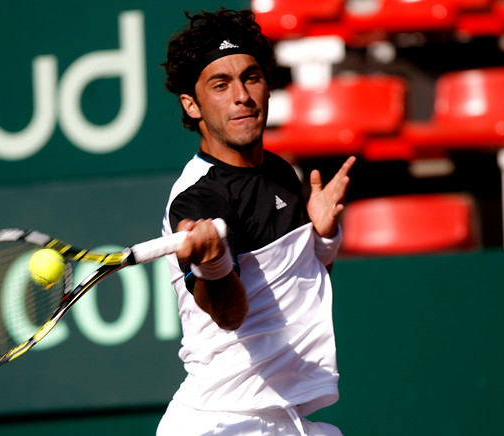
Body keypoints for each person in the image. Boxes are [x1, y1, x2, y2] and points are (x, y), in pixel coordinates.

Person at [158, 8, 355, 436]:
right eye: (220, 84)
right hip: (224, 424)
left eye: (251, 77)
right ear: (191, 105)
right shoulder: (197, 198)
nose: (242, 96)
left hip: (281, 416)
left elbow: (301, 283)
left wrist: (321, 238)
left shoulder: (281, 172)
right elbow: (229, 314)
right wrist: (212, 263)